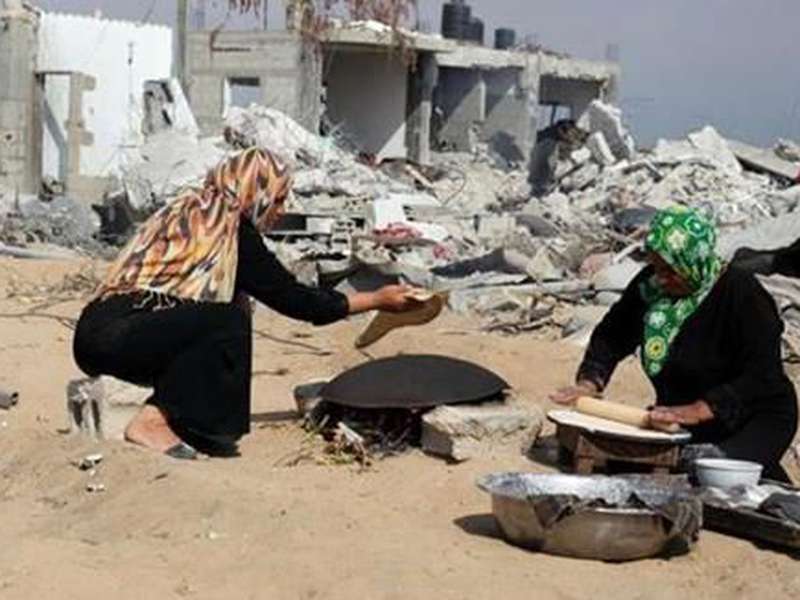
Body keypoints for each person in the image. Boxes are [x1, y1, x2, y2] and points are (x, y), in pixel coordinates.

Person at [73, 148, 420, 459]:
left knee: (226, 311)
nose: (280, 210)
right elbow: (296, 299)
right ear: (256, 190)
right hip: (124, 335)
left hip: (94, 336)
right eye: (278, 199)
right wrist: (377, 299)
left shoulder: (186, 208)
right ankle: (154, 422)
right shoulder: (230, 228)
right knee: (226, 321)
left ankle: (186, 421)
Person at [552, 206, 798, 481]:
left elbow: (761, 373)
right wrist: (590, 383)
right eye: (657, 268)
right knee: (627, 466)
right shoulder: (651, 287)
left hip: (754, 416)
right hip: (682, 418)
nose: (661, 278)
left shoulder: (742, 293)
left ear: (693, 260)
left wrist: (700, 410)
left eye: (671, 270)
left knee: (712, 472)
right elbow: (612, 335)